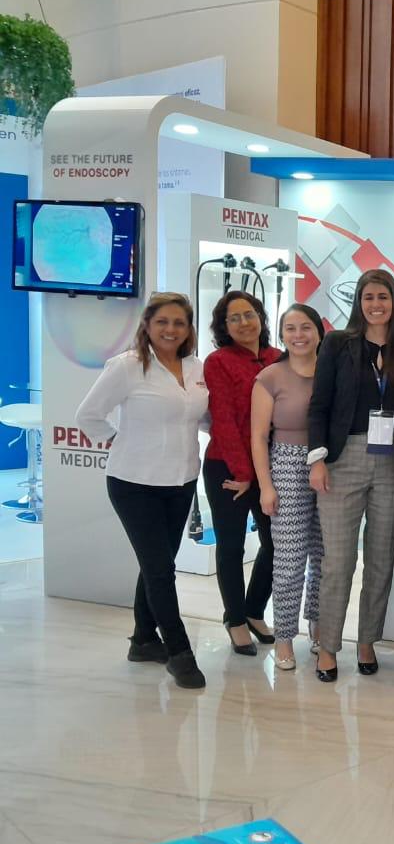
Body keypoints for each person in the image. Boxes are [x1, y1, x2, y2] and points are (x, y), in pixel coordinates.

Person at [76, 292, 210, 689]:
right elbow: (87, 415)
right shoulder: (128, 366)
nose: (171, 329)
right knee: (160, 569)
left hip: (182, 480)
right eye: (162, 322)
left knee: (157, 564)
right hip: (134, 483)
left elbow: (202, 417)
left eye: (179, 322)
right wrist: (119, 440)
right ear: (147, 325)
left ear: (188, 328)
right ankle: (180, 653)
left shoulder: (196, 367)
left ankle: (143, 641)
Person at [307, 270, 394, 681]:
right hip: (343, 459)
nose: (376, 304)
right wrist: (317, 459)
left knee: (380, 559)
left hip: (392, 460)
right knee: (338, 562)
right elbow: (319, 404)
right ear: (358, 302)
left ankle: (367, 641)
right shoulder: (337, 343)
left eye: (383, 297)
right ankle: (328, 647)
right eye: (369, 297)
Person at [203, 290, 281, 656]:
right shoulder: (218, 362)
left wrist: (264, 473)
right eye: (233, 318)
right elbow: (223, 422)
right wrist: (245, 473)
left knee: (276, 543)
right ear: (224, 327)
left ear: (261, 317)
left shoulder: (278, 358)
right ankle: (234, 619)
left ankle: (253, 610)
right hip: (227, 468)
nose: (243, 323)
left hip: (270, 467)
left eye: (248, 314)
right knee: (232, 545)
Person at [251, 304, 326, 671]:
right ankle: (283, 637)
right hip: (285, 465)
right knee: (290, 559)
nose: (299, 335)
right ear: (282, 335)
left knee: (325, 557)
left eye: (306, 327)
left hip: (330, 466)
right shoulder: (270, 376)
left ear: (319, 332)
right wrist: (266, 486)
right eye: (291, 328)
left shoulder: (332, 372)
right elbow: (257, 436)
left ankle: (318, 625)